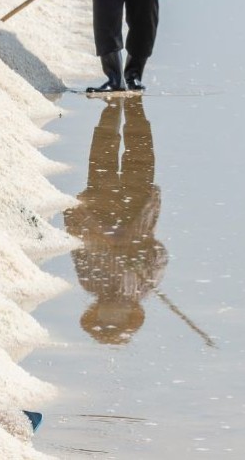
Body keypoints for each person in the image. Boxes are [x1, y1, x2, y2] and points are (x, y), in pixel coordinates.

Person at [62, 97, 167, 344]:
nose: (112, 312)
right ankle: (130, 103)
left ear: (96, 311)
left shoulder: (89, 282)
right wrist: (138, 252)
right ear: (130, 313)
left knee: (103, 147)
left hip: (100, 204)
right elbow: (160, 254)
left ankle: (115, 104)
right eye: (116, 318)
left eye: (107, 317)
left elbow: (79, 243)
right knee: (139, 146)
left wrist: (104, 234)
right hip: (140, 205)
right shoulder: (145, 286)